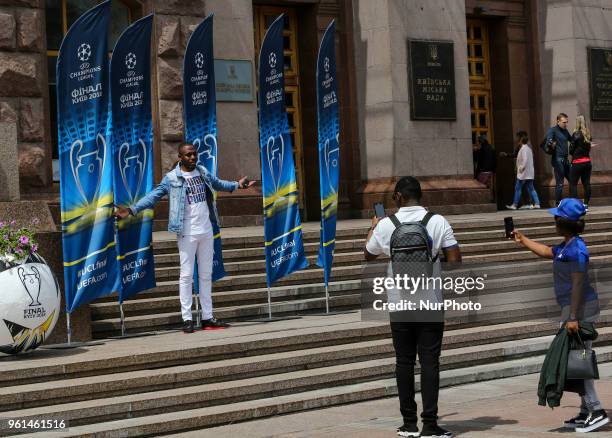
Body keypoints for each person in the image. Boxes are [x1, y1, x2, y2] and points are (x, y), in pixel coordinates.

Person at [114, 143, 255, 333]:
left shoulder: (202, 171)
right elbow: (153, 197)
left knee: (205, 275)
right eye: (188, 155)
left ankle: (207, 317)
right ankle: (187, 318)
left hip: (206, 230)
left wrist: (237, 185)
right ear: (180, 157)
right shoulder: (172, 178)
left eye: (194, 154)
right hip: (187, 231)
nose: (193, 158)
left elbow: (217, 183)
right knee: (186, 275)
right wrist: (131, 210)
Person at [364, 176, 461, 438]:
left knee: (404, 362)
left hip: (399, 303)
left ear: (397, 197)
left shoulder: (386, 224)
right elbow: (455, 259)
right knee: (430, 362)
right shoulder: (437, 221)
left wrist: (373, 228)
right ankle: (430, 425)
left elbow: (368, 254)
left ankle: (408, 424)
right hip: (430, 303)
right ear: (421, 196)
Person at [512, 198, 608, 433]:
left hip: (580, 310)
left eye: (556, 218)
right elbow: (547, 251)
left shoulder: (577, 250)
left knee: (579, 361)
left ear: (565, 222)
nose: (553, 221)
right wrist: (523, 239)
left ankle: (596, 411)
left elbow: (578, 285)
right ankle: (586, 411)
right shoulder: (567, 245)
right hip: (574, 310)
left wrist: (574, 317)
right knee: (575, 360)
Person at [506, 131, 541, 210]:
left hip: (524, 173)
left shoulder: (524, 148)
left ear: (521, 140)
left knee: (518, 188)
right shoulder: (528, 148)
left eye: (518, 139)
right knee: (531, 188)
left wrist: (520, 168)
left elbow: (524, 160)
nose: (517, 141)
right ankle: (537, 203)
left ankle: (514, 205)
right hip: (529, 173)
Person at [546, 113, 572, 205]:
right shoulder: (553, 130)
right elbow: (548, 140)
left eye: (567, 122)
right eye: (564, 122)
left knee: (572, 180)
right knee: (560, 183)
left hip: (565, 159)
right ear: (558, 121)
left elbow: (572, 139)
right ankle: (558, 203)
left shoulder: (565, 131)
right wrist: (551, 143)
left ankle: (572, 202)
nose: (566, 124)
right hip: (558, 159)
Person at [569, 115, 593, 210]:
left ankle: (575, 206)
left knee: (573, 184)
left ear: (577, 123)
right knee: (586, 183)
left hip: (577, 162)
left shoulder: (576, 134)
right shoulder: (588, 134)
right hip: (587, 162)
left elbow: (571, 149)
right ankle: (586, 205)